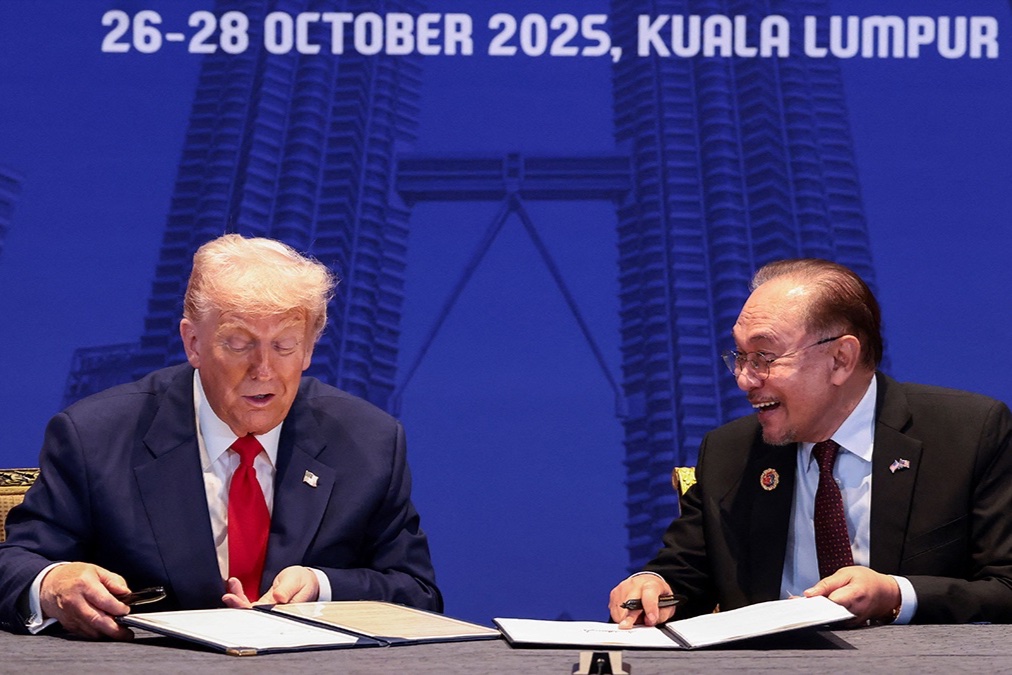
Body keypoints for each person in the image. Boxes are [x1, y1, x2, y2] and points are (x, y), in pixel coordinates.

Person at [0, 234, 441, 639]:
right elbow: (14, 565)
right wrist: (52, 584)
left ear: (308, 348)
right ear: (193, 343)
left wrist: (322, 588)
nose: (263, 368)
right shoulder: (94, 435)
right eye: (238, 343)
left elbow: (417, 593)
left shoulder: (369, 442)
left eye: (284, 345)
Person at [609, 258, 1012, 627]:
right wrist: (652, 584)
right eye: (740, 356)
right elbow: (687, 570)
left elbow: (1005, 586)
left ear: (840, 359)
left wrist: (897, 594)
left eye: (764, 357)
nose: (745, 379)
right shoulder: (728, 452)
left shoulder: (968, 433)